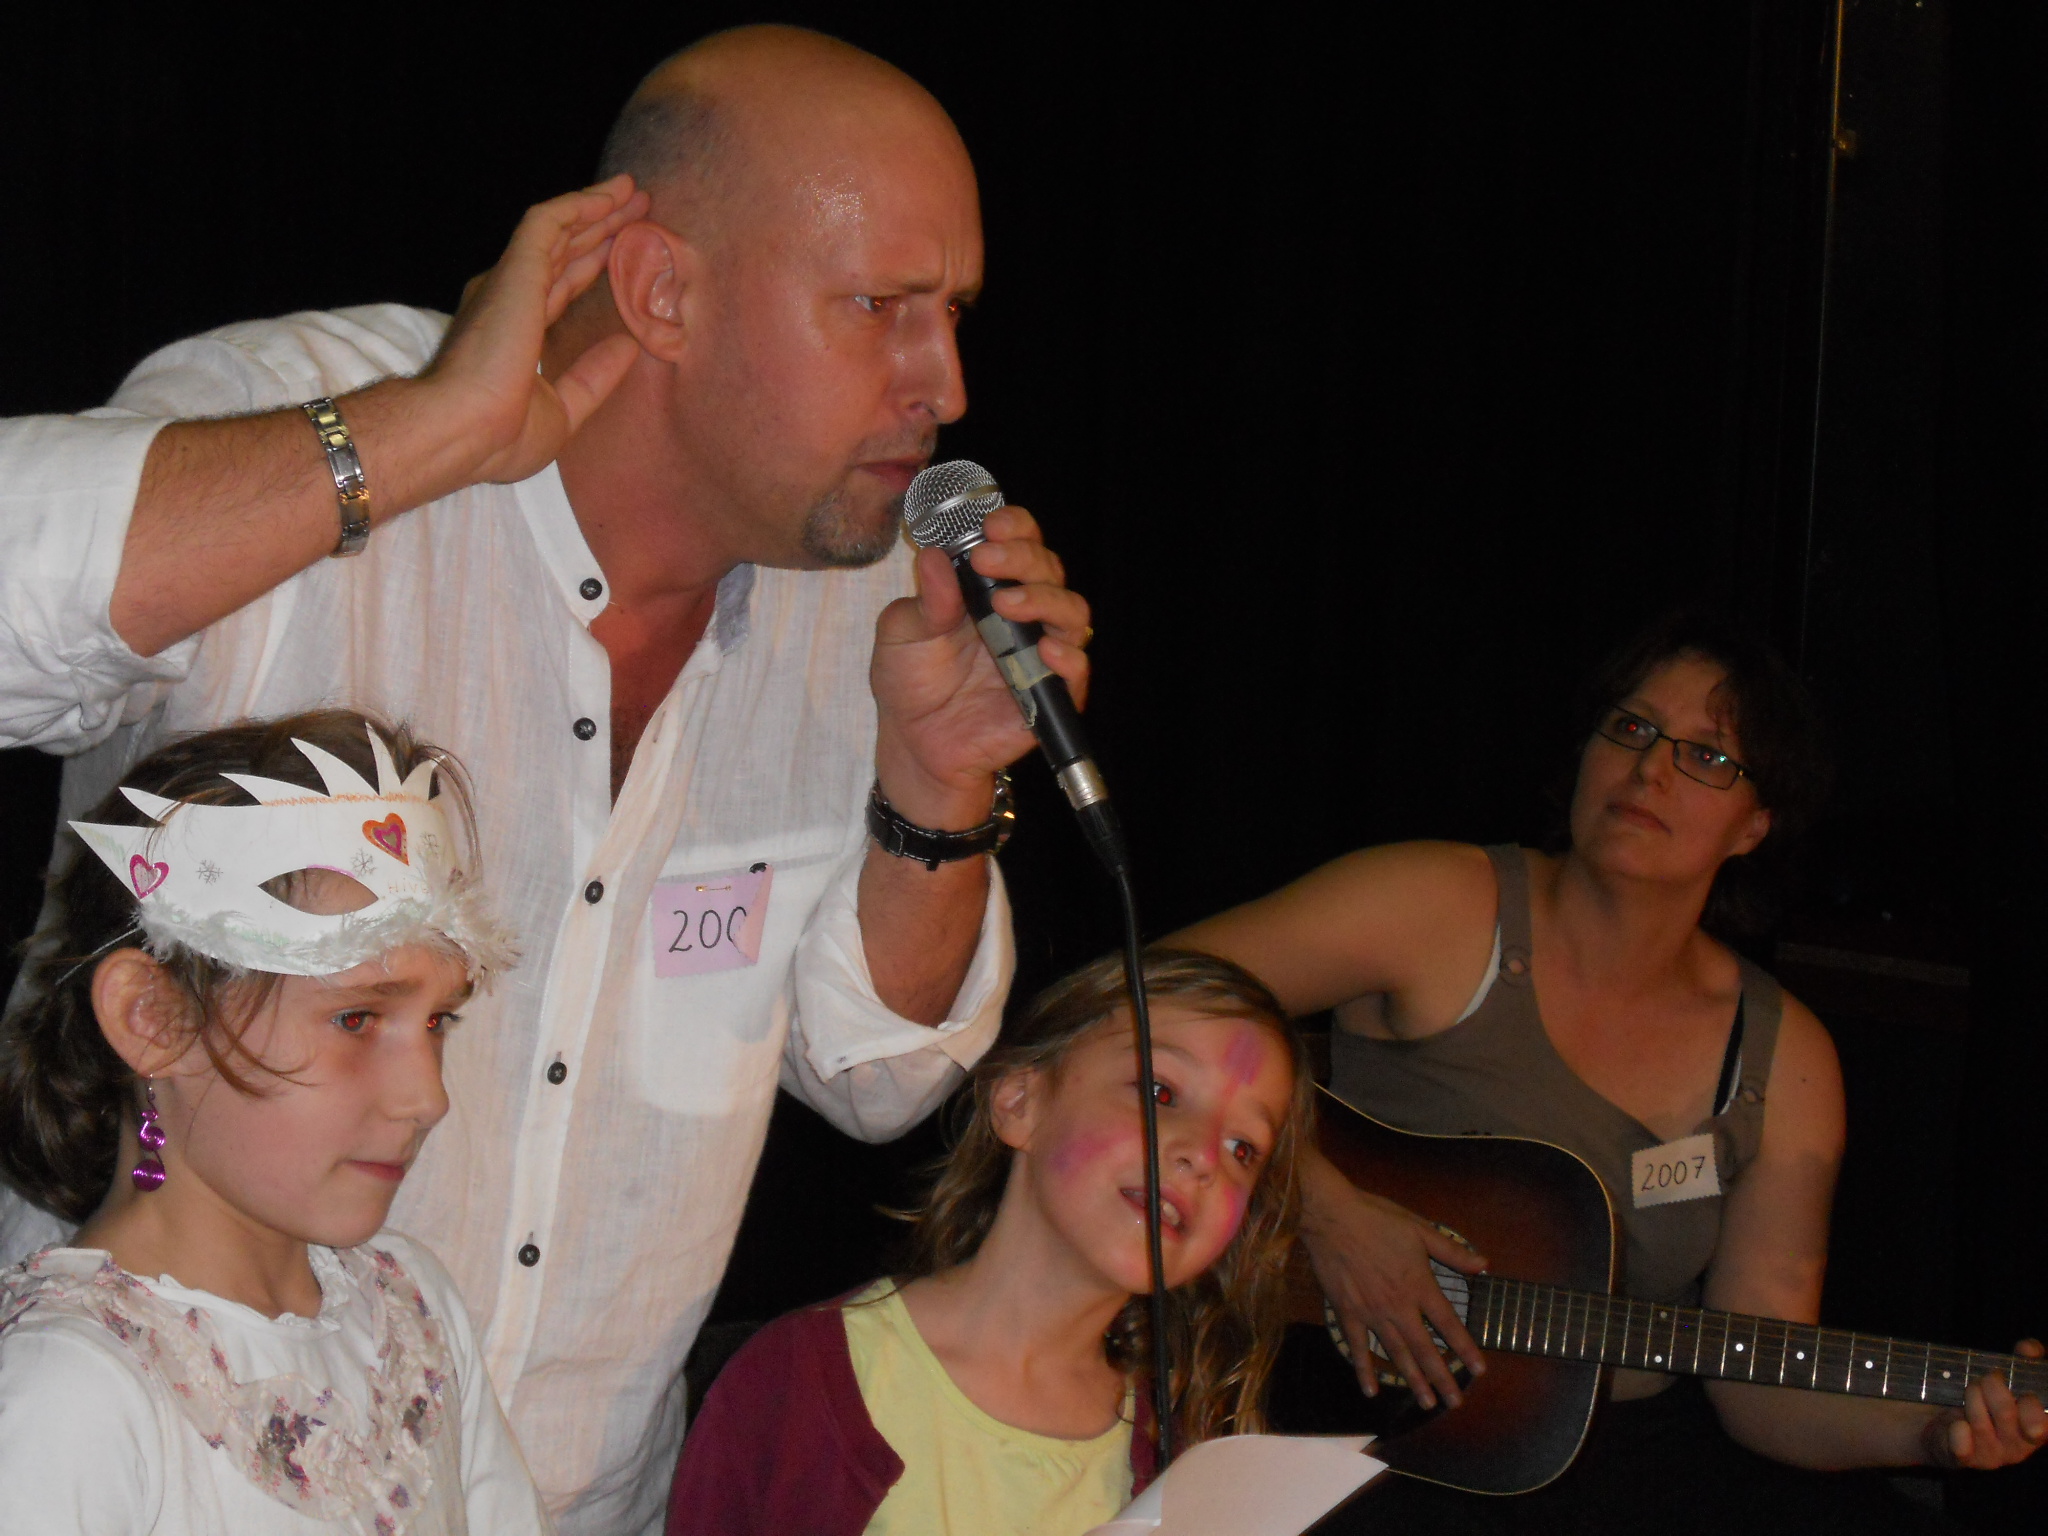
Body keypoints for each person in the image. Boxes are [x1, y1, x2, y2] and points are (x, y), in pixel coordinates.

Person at [0, 26, 1094, 1533]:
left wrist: (939, 784)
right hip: (144, 1465)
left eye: (952, 313)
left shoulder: (870, 606)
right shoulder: (325, 412)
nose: (945, 383)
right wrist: (426, 437)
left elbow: (878, 1073)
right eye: (880, 307)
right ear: (661, 290)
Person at [1174, 611, 2046, 1531]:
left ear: (1755, 824)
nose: (1649, 769)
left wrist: (1934, 1435)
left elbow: (1759, 1385)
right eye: (1631, 727)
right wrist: (1325, 1209)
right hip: (1347, 1425)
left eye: (1706, 756)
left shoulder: (1782, 1055)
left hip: (1620, 1455)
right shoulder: (1436, 903)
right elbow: (1138, 1000)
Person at [0, 711, 552, 1533]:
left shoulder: (411, 1312)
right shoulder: (69, 1395)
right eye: (357, 1019)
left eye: (438, 1021)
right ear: (154, 1018)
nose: (428, 1098)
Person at [664, 950, 1314, 1536]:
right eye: (1160, 1092)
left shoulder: (1178, 1459)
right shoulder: (802, 1385)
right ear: (1019, 1101)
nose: (1203, 1156)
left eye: (1243, 1148)